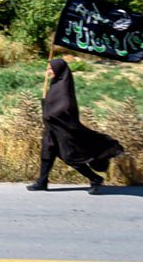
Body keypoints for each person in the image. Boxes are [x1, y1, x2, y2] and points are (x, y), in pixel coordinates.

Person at [27, 58, 124, 195]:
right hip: (51, 129)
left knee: (70, 157)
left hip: (63, 130)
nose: (48, 72)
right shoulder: (54, 85)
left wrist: (51, 113)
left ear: (58, 70)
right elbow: (51, 106)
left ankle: (95, 178)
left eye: (50, 69)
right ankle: (42, 182)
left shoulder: (64, 88)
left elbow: (65, 108)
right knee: (47, 154)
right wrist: (45, 105)